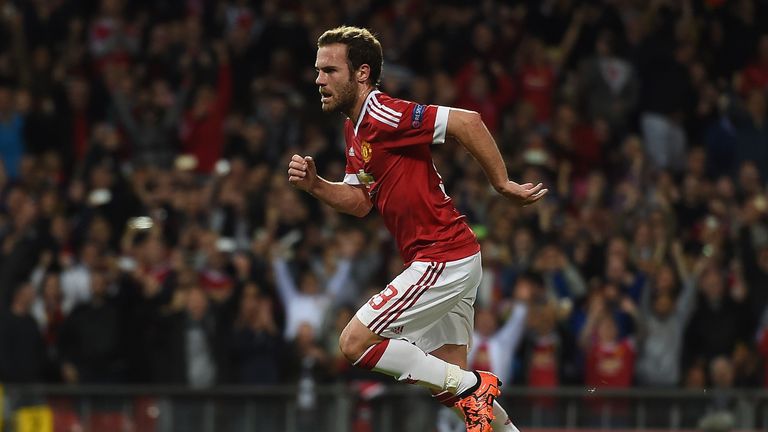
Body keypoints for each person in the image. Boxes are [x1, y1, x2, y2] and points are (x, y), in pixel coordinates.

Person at [287, 26, 547, 432]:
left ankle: (471, 384)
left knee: (354, 343)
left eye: (330, 70)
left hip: (441, 256)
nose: (319, 79)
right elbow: (360, 202)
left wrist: (501, 183)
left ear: (362, 73)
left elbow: (468, 121)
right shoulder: (354, 126)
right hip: (452, 256)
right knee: (452, 392)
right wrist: (316, 186)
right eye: (318, 70)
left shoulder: (381, 111)